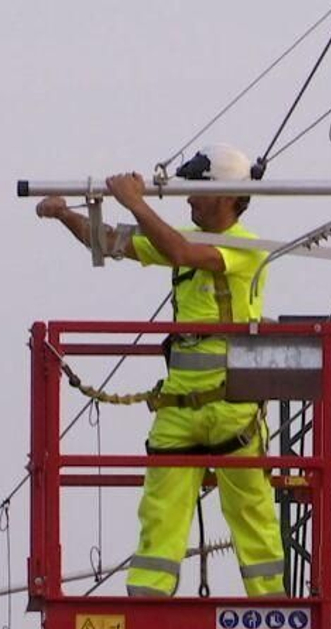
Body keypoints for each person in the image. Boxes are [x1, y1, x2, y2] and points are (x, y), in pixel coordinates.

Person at [35, 143, 286, 598]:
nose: (188, 199)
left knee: (252, 514)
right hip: (180, 404)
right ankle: (148, 604)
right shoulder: (189, 241)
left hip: (233, 406)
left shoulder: (246, 248)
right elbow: (114, 241)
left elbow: (184, 252)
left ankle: (273, 608)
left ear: (227, 197)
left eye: (197, 191)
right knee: (160, 513)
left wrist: (136, 201)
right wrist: (65, 217)